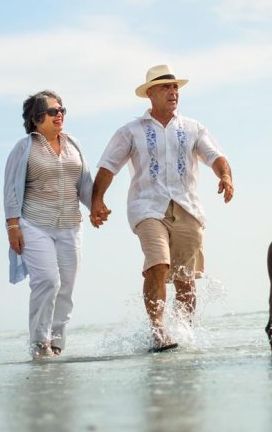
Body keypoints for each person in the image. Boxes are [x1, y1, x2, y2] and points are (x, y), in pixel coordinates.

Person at [90, 65, 234, 351]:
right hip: (147, 207)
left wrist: (225, 176)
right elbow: (108, 166)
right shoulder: (130, 131)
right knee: (158, 265)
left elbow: (215, 156)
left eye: (175, 87)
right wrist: (97, 200)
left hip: (187, 208)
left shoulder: (193, 128)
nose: (173, 92)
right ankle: (158, 333)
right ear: (150, 94)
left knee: (184, 278)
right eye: (166, 87)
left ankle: (183, 332)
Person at [3, 90, 94, 359]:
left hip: (70, 225)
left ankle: (56, 344)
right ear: (37, 118)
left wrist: (96, 208)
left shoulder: (73, 144)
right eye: (54, 111)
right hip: (34, 224)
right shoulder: (24, 148)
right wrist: (12, 227)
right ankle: (39, 343)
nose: (60, 115)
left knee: (66, 285)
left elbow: (84, 182)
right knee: (47, 281)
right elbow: (10, 190)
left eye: (62, 110)